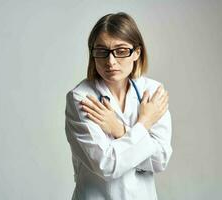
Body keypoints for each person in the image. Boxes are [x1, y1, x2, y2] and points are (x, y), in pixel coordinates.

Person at [65, 12, 172, 200]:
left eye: (121, 51)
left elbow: (160, 160)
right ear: (93, 53)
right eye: (102, 51)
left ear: (137, 52)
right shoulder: (81, 98)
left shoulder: (153, 92)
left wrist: (120, 130)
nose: (111, 62)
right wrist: (144, 123)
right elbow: (106, 165)